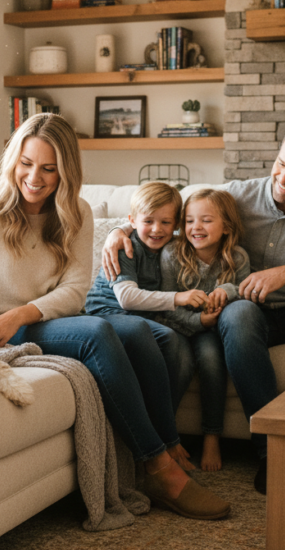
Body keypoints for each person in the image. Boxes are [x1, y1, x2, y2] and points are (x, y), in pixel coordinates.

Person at [0, 113, 230, 519]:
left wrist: (23, 314)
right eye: (26, 164)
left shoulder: (77, 212)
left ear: (65, 171)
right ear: (13, 160)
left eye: (49, 169)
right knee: (98, 333)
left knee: (140, 333)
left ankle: (162, 448)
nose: (35, 177)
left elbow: (74, 291)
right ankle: (160, 468)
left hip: (38, 319)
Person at [102, 121, 285, 495]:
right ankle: (268, 449)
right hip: (247, 313)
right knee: (238, 311)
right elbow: (170, 211)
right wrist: (120, 231)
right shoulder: (238, 195)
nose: (283, 177)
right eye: (281, 163)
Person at [83, 181, 207, 470]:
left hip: (141, 319)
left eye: (166, 222)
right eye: (148, 221)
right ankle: (169, 440)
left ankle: (159, 433)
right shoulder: (127, 247)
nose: (156, 229)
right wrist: (180, 298)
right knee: (169, 339)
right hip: (106, 314)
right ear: (131, 221)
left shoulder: (171, 249)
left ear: (176, 224)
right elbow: (126, 298)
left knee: (185, 354)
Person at [154, 188, 250, 472]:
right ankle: (164, 439)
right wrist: (198, 322)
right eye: (189, 221)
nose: (196, 228)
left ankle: (212, 436)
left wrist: (227, 290)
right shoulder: (172, 254)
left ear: (226, 227)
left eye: (206, 220)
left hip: (212, 332)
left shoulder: (238, 257)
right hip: (178, 327)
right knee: (177, 365)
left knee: (211, 360)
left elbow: (246, 293)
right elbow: (165, 305)